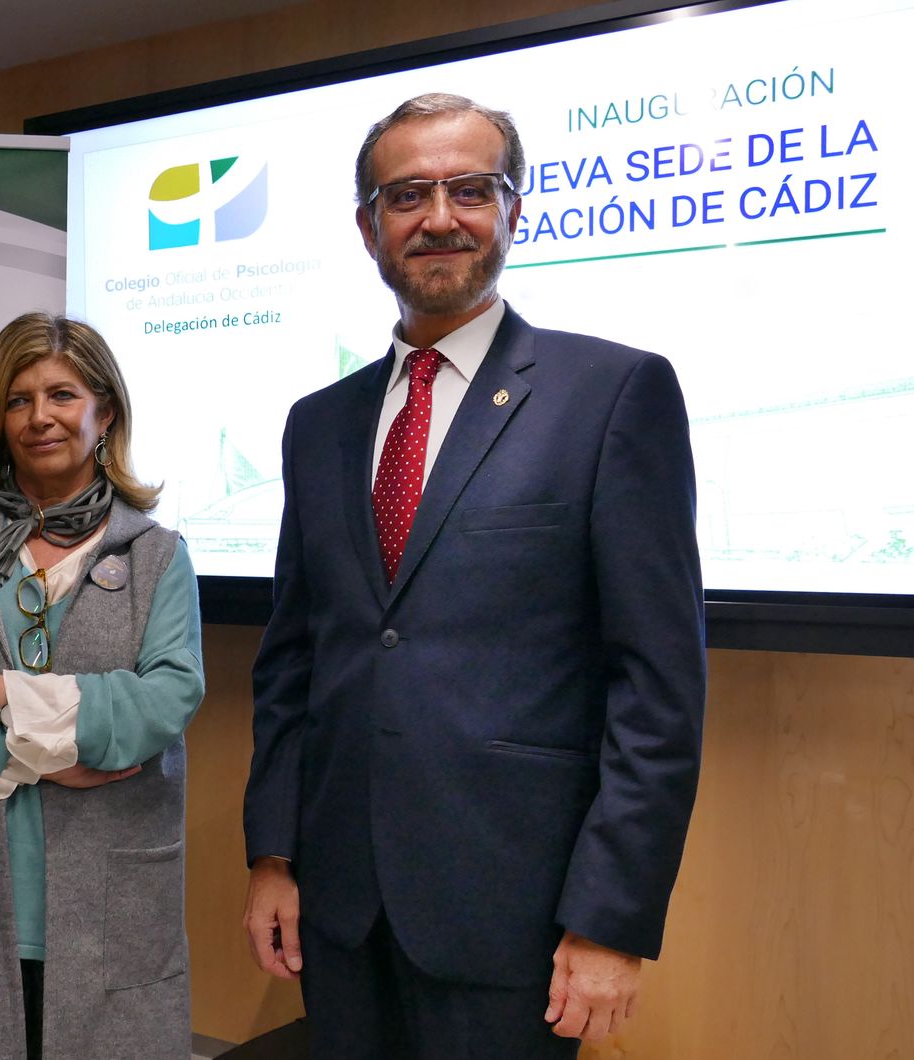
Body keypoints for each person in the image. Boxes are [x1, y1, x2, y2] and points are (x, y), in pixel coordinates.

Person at [241, 93, 705, 1057]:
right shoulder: (316, 424)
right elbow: (294, 662)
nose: (439, 217)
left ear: (514, 209)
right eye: (406, 194)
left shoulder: (614, 394)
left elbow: (657, 689)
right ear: (369, 225)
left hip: (516, 918)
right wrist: (273, 853)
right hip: (340, 907)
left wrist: (611, 917)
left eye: (470, 190)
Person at [0, 312, 204, 1059]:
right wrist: (44, 755)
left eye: (62, 394)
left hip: (108, 912)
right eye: (18, 400)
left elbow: (166, 700)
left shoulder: (156, 557)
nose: (40, 417)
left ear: (104, 410)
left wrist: (4, 698)